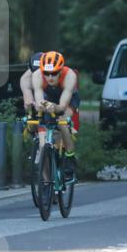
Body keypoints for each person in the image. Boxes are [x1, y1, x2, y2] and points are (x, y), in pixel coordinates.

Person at [31, 51, 79, 180]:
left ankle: (70, 156)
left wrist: (55, 108)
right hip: (49, 96)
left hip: (67, 98)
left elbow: (62, 106)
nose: (50, 77)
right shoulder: (37, 76)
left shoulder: (69, 75)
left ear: (61, 70)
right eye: (46, 73)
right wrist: (40, 105)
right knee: (42, 143)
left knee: (62, 120)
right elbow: (39, 98)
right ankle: (46, 183)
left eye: (54, 73)